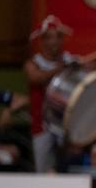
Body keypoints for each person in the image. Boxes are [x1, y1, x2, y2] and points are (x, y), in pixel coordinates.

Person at [24, 15, 77, 173]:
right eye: (49, 37)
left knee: (69, 168)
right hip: (42, 126)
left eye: (58, 37)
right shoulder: (33, 63)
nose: (54, 42)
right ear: (41, 41)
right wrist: (60, 69)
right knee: (43, 171)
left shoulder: (70, 60)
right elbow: (36, 78)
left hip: (67, 126)